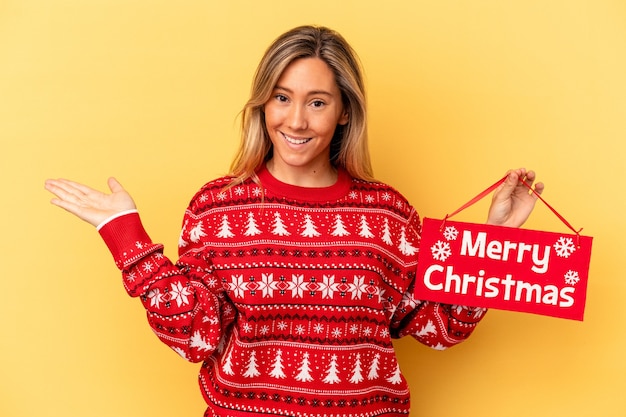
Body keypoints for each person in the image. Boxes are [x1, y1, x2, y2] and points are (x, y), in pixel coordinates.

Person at [45, 25, 544, 417]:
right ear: (263, 105)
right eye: (281, 98)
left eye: (318, 102)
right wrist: (125, 234)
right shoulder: (216, 208)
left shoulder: (388, 213)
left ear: (345, 112)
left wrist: (494, 240)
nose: (297, 120)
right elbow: (195, 334)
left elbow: (438, 325)